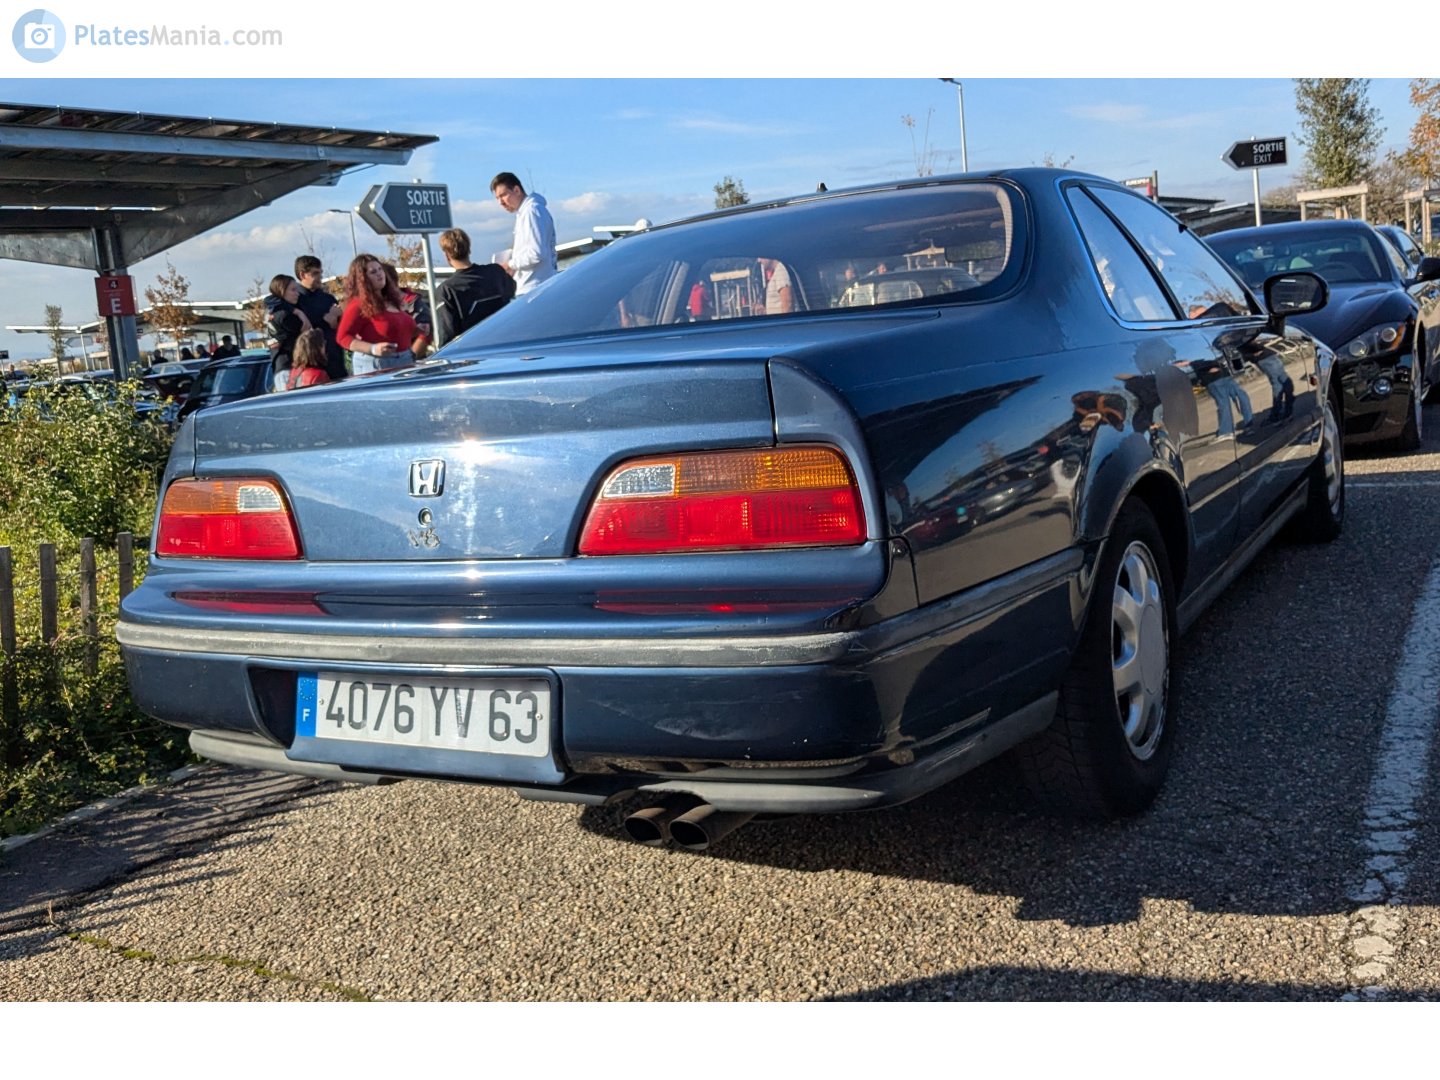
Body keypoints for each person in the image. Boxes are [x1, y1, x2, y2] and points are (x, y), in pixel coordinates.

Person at [336, 253, 418, 374]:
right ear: (362, 279)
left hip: (405, 360)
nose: (380, 274)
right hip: (377, 363)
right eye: (373, 272)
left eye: (380, 269)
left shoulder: (393, 300)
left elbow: (397, 332)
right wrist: (373, 349)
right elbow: (343, 337)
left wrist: (418, 330)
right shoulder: (358, 304)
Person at [434, 227, 515, 341]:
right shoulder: (496, 272)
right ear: (469, 249)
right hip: (507, 341)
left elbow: (447, 335)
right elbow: (513, 300)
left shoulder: (447, 290)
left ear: (447, 255)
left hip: (474, 351)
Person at [491, 171, 557, 295]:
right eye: (497, 198)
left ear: (516, 190)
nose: (501, 202)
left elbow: (536, 253)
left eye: (503, 195)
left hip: (534, 288)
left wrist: (510, 264)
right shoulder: (528, 212)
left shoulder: (531, 212)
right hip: (536, 285)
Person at [293, 255, 346, 382]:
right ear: (302, 275)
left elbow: (339, 324)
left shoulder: (328, 299)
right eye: (315, 273)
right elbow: (300, 327)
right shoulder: (295, 300)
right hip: (311, 367)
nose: (320, 276)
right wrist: (324, 319)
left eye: (320, 272)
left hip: (334, 360)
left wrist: (335, 319)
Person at [264, 273, 313, 390]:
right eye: (293, 290)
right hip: (288, 366)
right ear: (282, 291)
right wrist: (301, 314)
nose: (297, 293)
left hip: (283, 366)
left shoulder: (275, 310)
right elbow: (307, 330)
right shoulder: (285, 316)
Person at [382, 263, 433, 360]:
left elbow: (425, 335)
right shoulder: (377, 304)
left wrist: (408, 359)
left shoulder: (415, 303)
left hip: (408, 363)